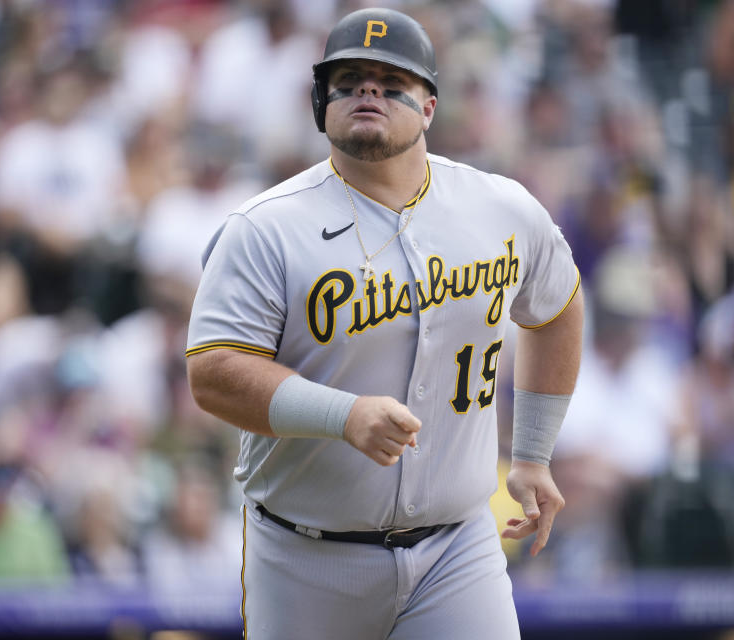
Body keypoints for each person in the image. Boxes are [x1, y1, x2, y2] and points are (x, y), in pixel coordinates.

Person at [185, 8, 584, 639]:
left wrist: (533, 452)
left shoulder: (499, 207)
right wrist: (342, 416)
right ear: (322, 104)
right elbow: (213, 374)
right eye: (348, 79)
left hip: (458, 550)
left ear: (428, 105)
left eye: (389, 78)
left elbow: (559, 308)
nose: (368, 90)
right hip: (305, 557)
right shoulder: (264, 227)